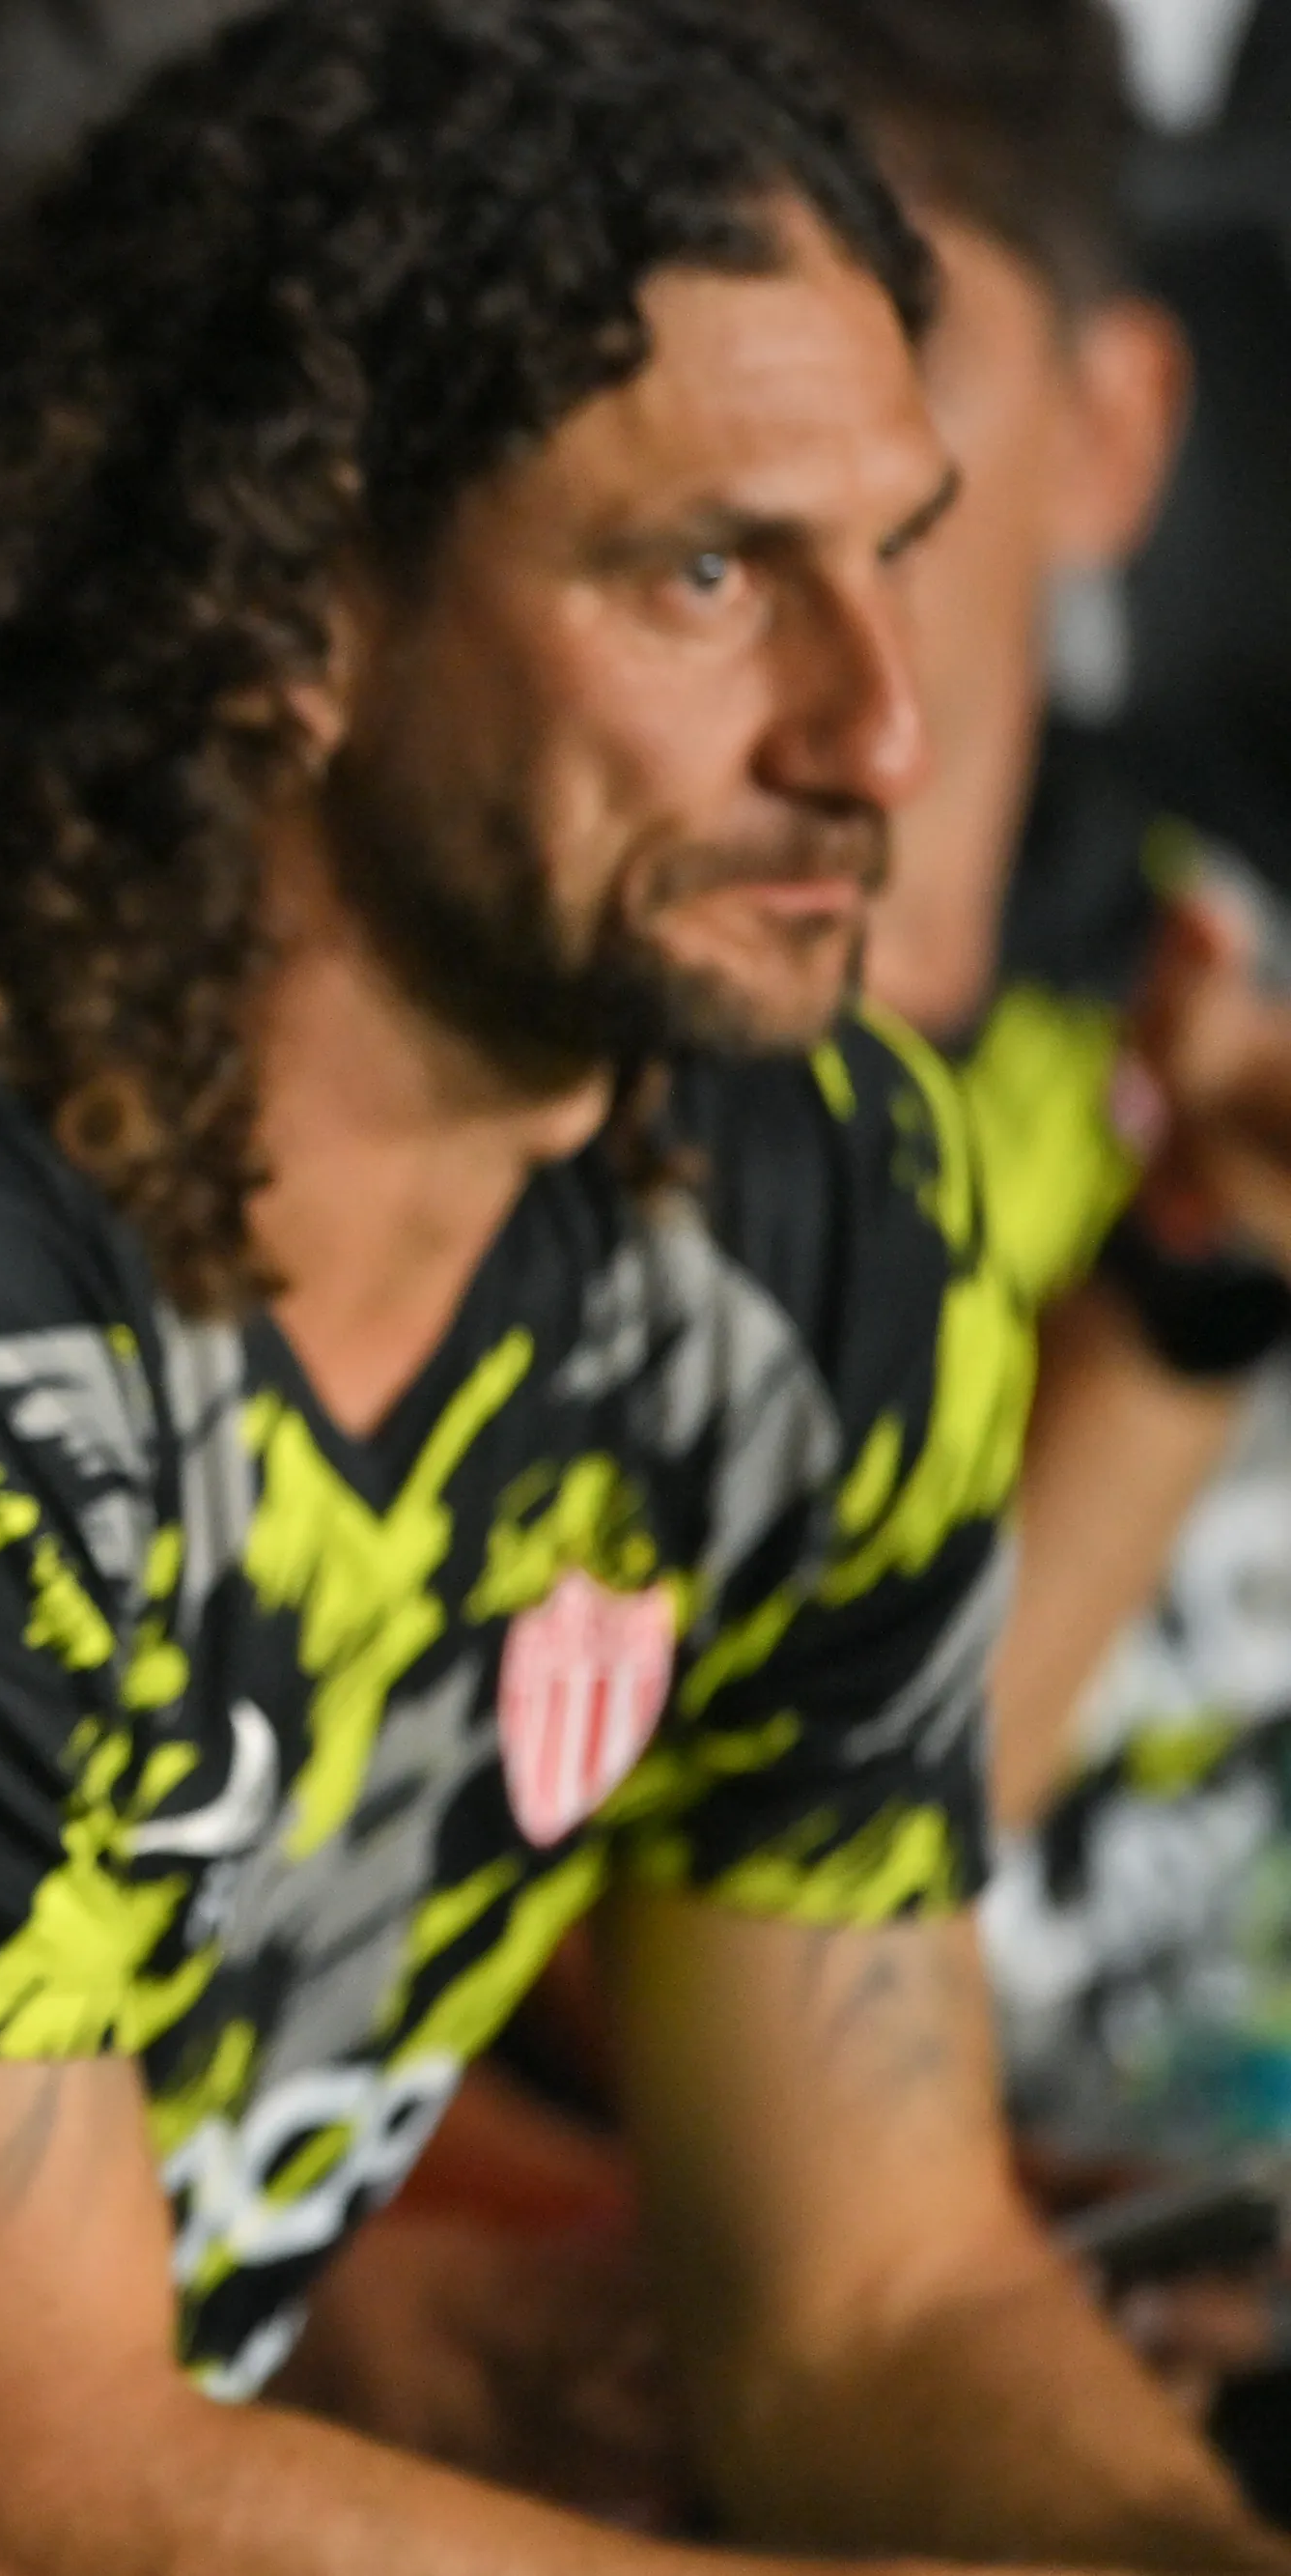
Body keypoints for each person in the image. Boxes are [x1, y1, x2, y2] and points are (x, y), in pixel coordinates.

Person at [0, 1, 1291, 2568]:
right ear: (296, 611)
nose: (884, 733)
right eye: (709, 573)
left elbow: (871, 2303)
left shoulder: (817, 1190)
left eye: (908, 553)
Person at [275, 0, 1291, 2494]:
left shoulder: (1213, 986)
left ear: (1116, 434)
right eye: (712, 532)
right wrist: (1187, 1313)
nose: (866, 691)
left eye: (895, 472)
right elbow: (669, 1982)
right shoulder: (533, 1093)